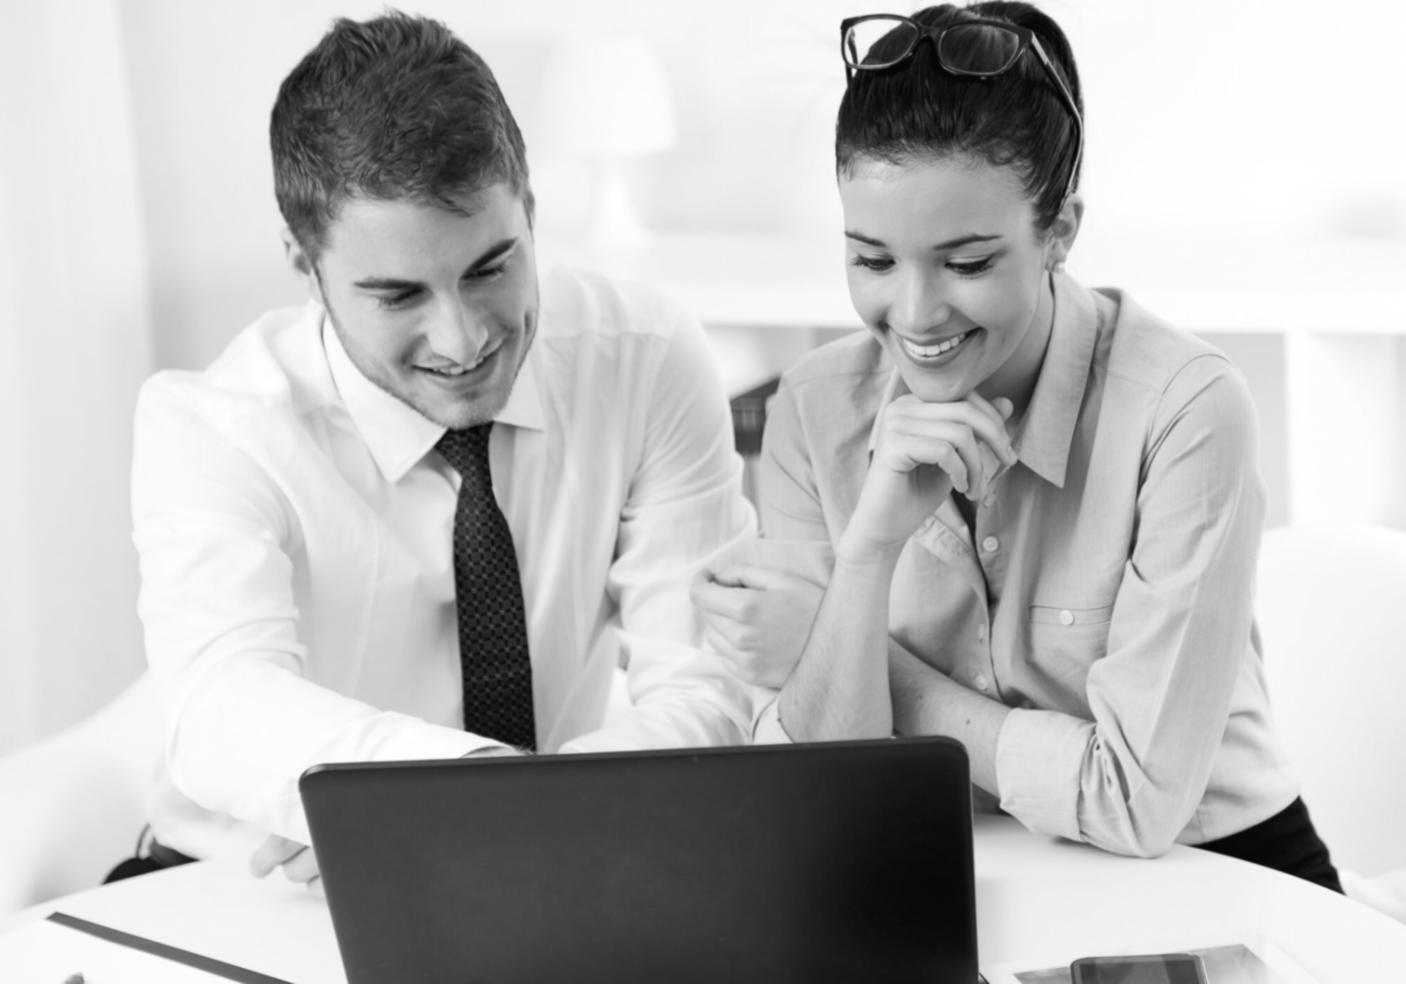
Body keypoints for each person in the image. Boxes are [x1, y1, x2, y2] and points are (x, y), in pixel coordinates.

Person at [692, 2, 1343, 890]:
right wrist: (869, 553)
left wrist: (852, 653)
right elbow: (828, 790)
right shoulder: (815, 409)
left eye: (966, 264)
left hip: (1213, 868)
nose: (915, 315)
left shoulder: (1185, 410)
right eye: (873, 261)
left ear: (1061, 231)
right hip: (942, 872)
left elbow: (1134, 801)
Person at [124, 11, 759, 890]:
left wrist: (460, 818)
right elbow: (222, 710)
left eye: (491, 267)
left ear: (531, 212)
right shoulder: (214, 427)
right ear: (303, 265)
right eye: (397, 295)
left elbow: (705, 688)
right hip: (252, 888)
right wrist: (452, 800)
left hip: (550, 867)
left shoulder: (644, 358)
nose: (461, 339)